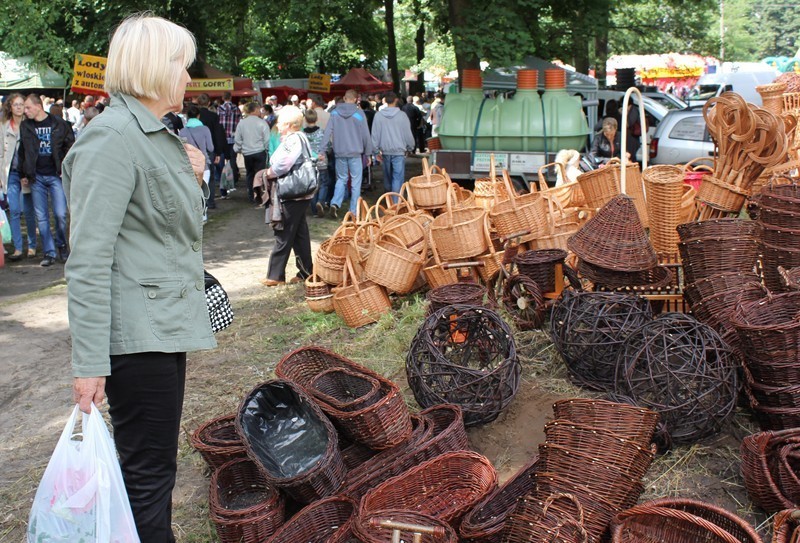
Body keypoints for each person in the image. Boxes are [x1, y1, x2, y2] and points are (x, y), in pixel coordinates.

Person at [61, 14, 215, 543]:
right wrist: (88, 363)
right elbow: (86, 260)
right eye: (181, 66)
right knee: (147, 480)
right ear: (154, 68)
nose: (188, 79)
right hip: (136, 337)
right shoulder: (112, 138)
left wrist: (193, 173)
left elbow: (171, 229)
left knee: (153, 474)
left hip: (162, 325)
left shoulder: (153, 133)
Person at [18, 93, 74, 266]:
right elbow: (23, 151)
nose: (24, 111)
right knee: (41, 217)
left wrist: (65, 167)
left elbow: (70, 146)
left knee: (60, 214)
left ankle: (62, 245)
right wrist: (23, 173)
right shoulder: (26, 126)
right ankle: (49, 253)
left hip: (55, 174)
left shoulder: (59, 124)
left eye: (27, 107)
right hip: (36, 176)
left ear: (38, 106)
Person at [261, 105, 314, 286]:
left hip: (292, 192)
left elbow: (285, 163)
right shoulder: (298, 137)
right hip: (300, 193)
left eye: (281, 122)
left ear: (290, 124)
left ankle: (276, 276)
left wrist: (269, 172)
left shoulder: (294, 139)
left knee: (283, 232)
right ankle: (306, 271)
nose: (278, 125)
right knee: (299, 234)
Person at [320, 89, 373, 217]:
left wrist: (322, 150)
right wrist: (368, 153)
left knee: (341, 179)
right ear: (356, 99)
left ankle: (335, 203)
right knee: (356, 182)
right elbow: (366, 135)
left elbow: (327, 132)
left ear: (344, 98)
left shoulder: (334, 113)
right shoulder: (359, 114)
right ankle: (353, 211)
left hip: (339, 152)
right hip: (355, 153)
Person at [0, 93, 38, 260]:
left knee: (29, 211)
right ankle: (18, 247)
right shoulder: (3, 126)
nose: (18, 107)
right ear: (10, 106)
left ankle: (32, 245)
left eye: (21, 104)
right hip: (11, 173)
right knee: (14, 211)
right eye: (15, 104)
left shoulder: (30, 125)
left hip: (27, 174)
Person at [372, 91, 415, 196]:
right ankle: (395, 202)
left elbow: (374, 134)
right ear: (396, 100)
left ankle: (388, 197)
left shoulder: (378, 116)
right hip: (399, 151)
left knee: (387, 176)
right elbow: (407, 133)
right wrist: (410, 147)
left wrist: (375, 150)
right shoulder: (402, 116)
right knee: (397, 177)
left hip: (385, 151)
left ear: (385, 100)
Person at [234, 101, 270, 203]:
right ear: (255, 110)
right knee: (261, 174)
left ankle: (251, 195)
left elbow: (238, 139)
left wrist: (239, 148)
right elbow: (267, 139)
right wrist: (266, 149)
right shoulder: (262, 123)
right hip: (260, 151)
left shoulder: (242, 123)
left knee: (250, 174)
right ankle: (260, 194)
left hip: (247, 153)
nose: (260, 111)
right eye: (259, 109)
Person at [217, 91, 242, 192]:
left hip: (222, 138)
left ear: (223, 98)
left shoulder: (219, 109)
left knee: (222, 159)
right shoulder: (236, 109)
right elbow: (240, 123)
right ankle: (234, 179)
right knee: (233, 159)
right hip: (233, 137)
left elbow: (217, 123)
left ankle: (223, 180)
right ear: (231, 97)